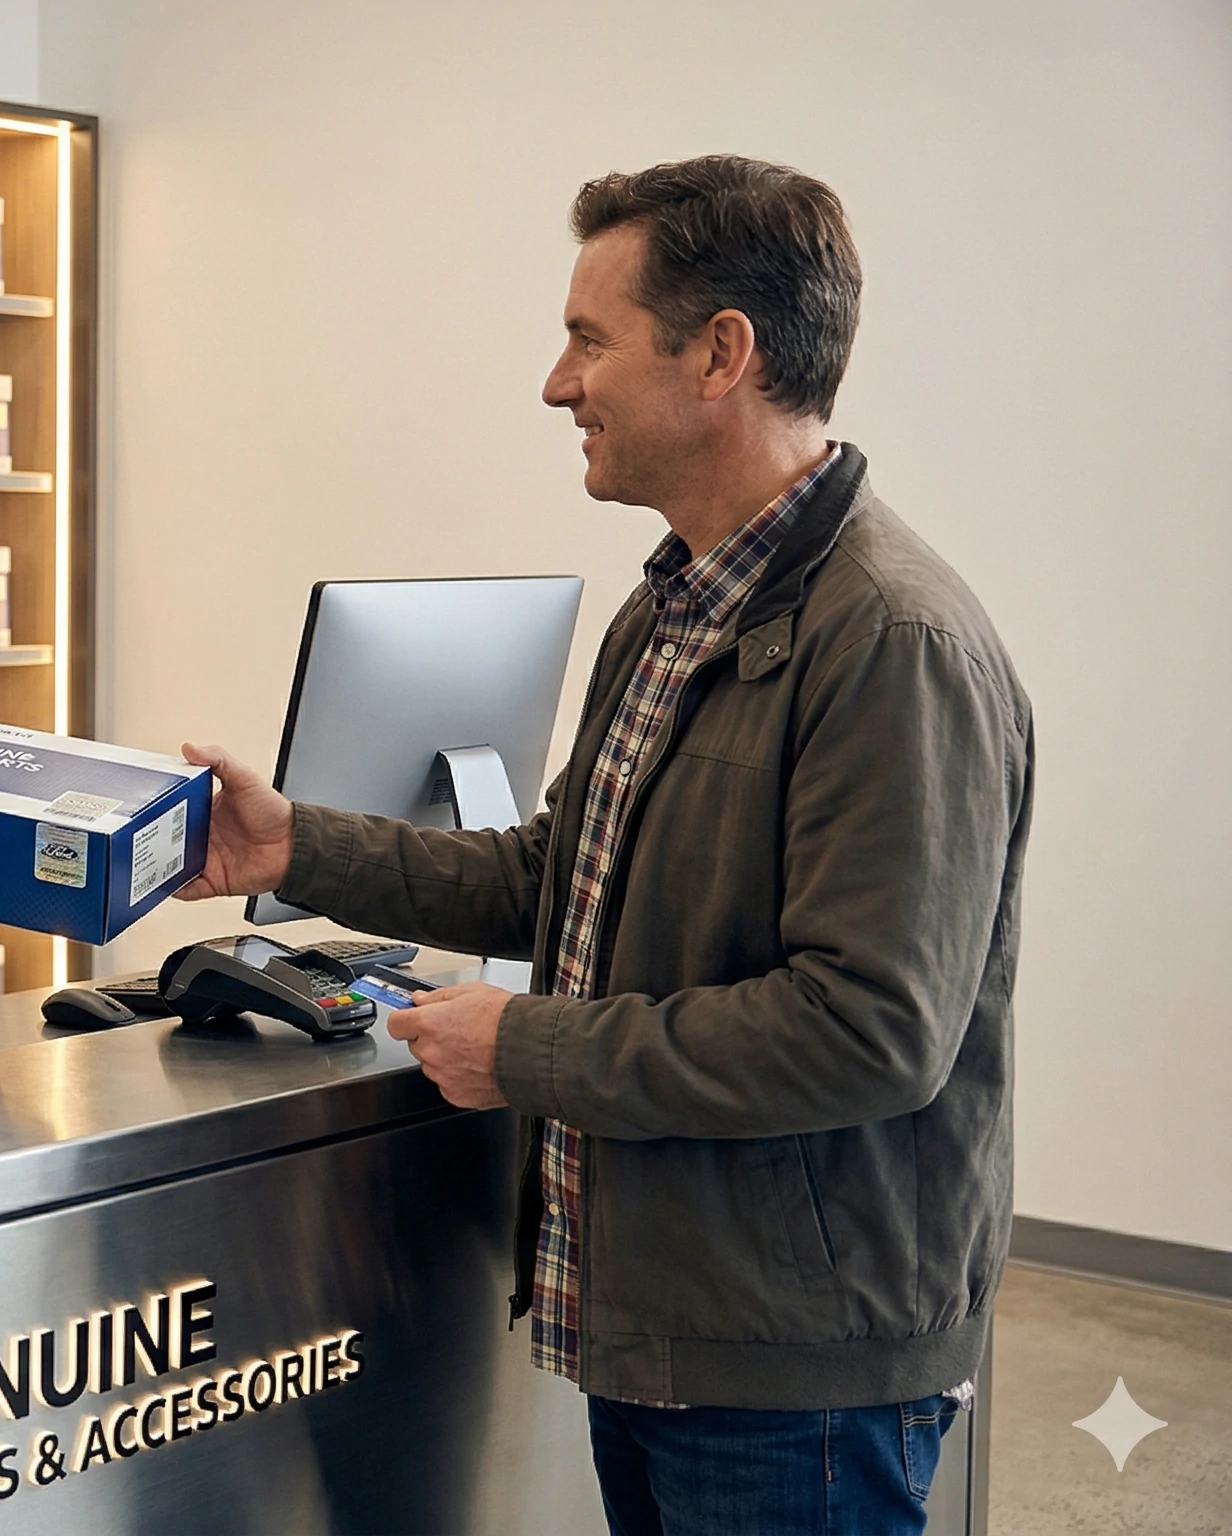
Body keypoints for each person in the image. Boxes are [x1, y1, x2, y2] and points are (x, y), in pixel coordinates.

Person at [177, 156, 1031, 1534]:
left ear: (721, 355)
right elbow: (550, 880)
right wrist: (292, 851)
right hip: (659, 1324)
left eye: (589, 337)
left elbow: (871, 1030)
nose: (557, 383)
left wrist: (526, 1052)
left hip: (794, 1373)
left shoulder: (891, 644)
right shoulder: (675, 609)